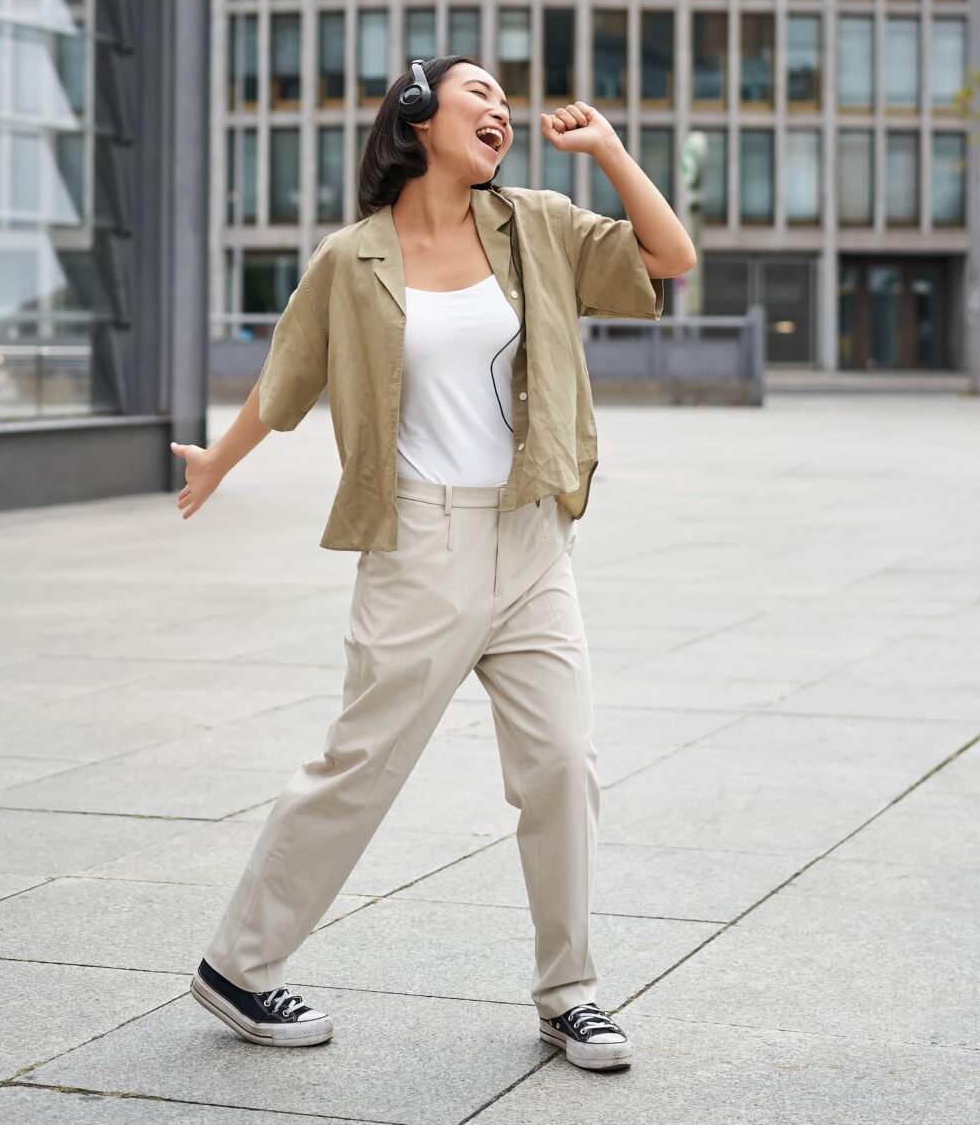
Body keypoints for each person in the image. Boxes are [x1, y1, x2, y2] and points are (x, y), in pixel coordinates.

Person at [171, 54, 696, 1071]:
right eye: (479, 96)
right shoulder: (352, 258)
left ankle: (569, 993)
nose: (501, 110)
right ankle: (238, 967)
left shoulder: (535, 222)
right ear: (418, 117)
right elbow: (285, 383)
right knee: (360, 765)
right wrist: (216, 465)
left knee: (562, 766)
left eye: (505, 99)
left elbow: (667, 257)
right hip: (419, 540)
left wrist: (610, 151)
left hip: (533, 534)